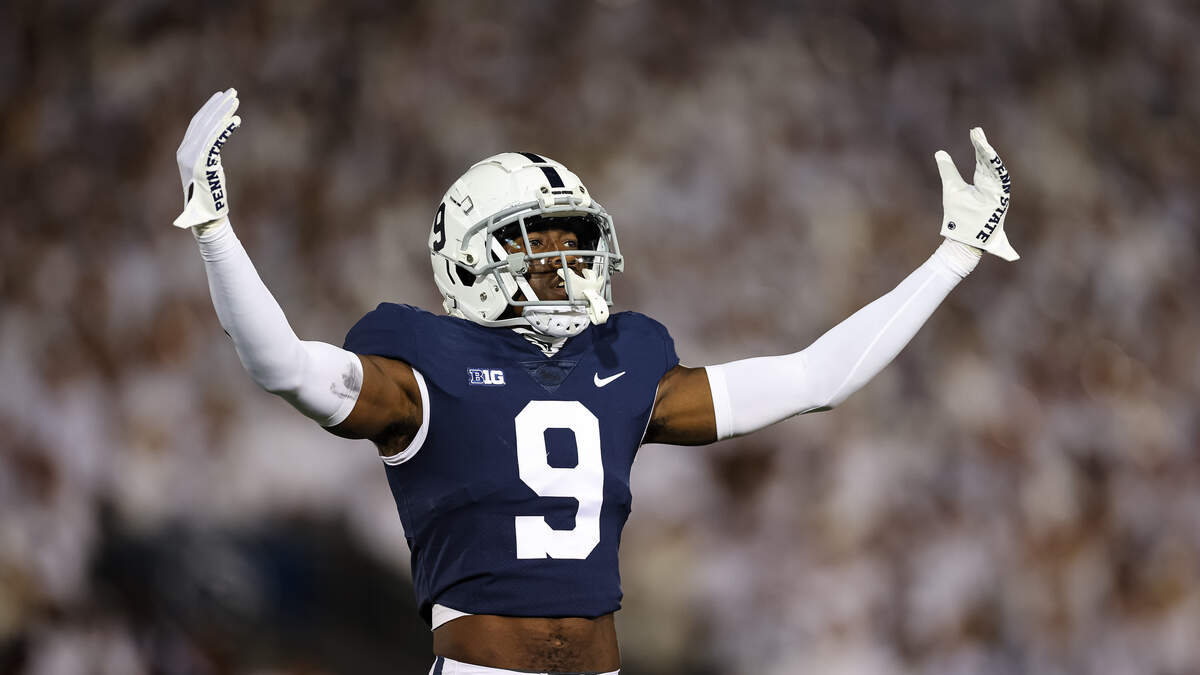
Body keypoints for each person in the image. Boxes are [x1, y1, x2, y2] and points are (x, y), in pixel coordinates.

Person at [173, 88, 1017, 675]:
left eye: (574, 240)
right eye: (536, 243)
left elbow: (815, 378)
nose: (565, 261)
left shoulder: (623, 361)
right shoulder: (420, 362)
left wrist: (953, 256)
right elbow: (281, 363)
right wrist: (214, 227)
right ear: (469, 259)